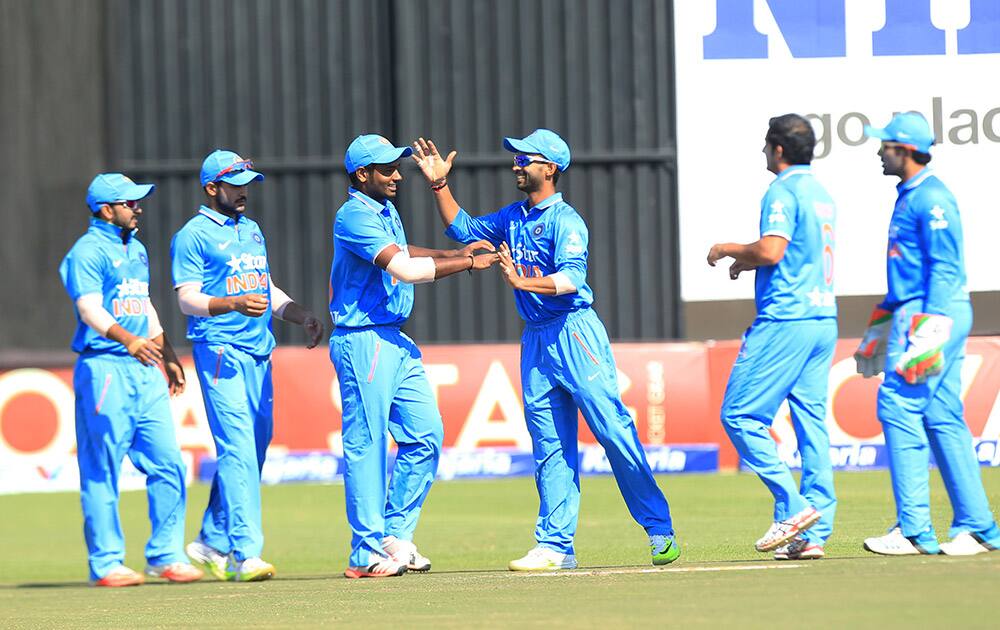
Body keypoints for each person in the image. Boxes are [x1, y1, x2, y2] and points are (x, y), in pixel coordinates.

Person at [411, 129, 680, 571]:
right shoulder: (512, 216)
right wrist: (439, 184)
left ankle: (659, 529)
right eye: (516, 158)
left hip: (575, 333)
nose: (516, 164)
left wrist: (521, 282)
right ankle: (556, 545)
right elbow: (462, 229)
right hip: (537, 339)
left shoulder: (567, 221)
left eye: (525, 158)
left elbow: (571, 279)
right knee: (549, 444)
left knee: (612, 431)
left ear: (550, 168)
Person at [330, 134, 498, 579]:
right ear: (361, 174)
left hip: (394, 339)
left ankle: (394, 538)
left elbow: (405, 253)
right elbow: (403, 269)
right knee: (366, 445)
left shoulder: (384, 210)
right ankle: (364, 550)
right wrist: (467, 264)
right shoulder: (353, 214)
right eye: (388, 169)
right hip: (362, 338)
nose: (398, 176)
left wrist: (454, 251)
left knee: (426, 433)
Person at [171, 150, 325, 581]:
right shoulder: (193, 235)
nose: (243, 191)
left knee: (254, 445)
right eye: (235, 183)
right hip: (220, 350)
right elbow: (186, 297)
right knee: (237, 447)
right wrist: (230, 305)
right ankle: (245, 553)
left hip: (259, 350)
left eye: (246, 183)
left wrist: (299, 314)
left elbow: (264, 288)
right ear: (211, 188)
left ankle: (210, 541)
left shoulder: (252, 230)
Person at [856, 112, 1000, 556]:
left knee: (897, 403)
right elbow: (906, 271)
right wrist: (878, 331)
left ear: (905, 150)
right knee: (942, 417)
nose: (879, 151)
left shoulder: (931, 198)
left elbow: (944, 267)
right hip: (917, 314)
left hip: (932, 315)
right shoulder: (910, 195)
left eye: (886, 145)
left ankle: (915, 530)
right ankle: (978, 528)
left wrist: (929, 329)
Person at [59, 174, 203, 587]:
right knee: (102, 468)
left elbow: (144, 306)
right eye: (131, 203)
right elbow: (88, 308)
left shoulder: (135, 248)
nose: (138, 208)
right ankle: (106, 563)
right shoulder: (87, 250)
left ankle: (165, 555)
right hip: (105, 367)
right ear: (107, 210)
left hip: (144, 369)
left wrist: (169, 356)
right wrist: (129, 340)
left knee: (169, 464)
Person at [706, 114, 838, 559]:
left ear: (779, 150)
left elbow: (772, 249)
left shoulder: (781, 190)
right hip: (823, 318)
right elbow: (788, 253)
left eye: (766, 146)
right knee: (811, 425)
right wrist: (753, 262)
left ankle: (792, 506)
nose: (764, 153)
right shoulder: (820, 193)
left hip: (786, 320)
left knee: (739, 415)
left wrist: (728, 249)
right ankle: (812, 533)